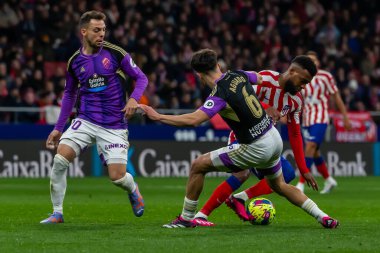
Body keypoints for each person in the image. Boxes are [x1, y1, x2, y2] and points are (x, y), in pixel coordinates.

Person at [139, 48, 339, 229]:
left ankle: (187, 218)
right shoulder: (238, 75)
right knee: (280, 185)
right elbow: (261, 79)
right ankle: (323, 217)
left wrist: (158, 116)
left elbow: (194, 119)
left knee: (198, 165)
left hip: (255, 145)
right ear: (218, 65)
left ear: (199, 75)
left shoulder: (220, 94)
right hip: (273, 137)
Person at [40, 11, 148, 224]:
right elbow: (69, 94)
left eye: (103, 30)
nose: (101, 34)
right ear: (84, 32)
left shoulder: (116, 54)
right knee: (60, 159)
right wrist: (58, 128)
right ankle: (57, 212)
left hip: (114, 124)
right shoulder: (74, 62)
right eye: (97, 30)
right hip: (86, 120)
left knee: (117, 177)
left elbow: (141, 78)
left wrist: (134, 99)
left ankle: (132, 188)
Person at [194, 59, 320, 226]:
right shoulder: (266, 80)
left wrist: (304, 169)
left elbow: (295, 134)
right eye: (303, 81)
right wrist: (265, 106)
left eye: (307, 83)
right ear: (292, 72)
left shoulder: (296, 101)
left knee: (288, 174)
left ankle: (239, 198)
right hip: (243, 136)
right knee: (242, 174)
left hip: (265, 143)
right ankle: (202, 215)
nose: (304, 86)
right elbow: (238, 98)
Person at [295, 51, 352, 194]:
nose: (312, 62)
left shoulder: (325, 76)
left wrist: (345, 116)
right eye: (309, 60)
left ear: (318, 62)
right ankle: (328, 179)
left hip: (320, 118)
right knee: (314, 152)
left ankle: (301, 183)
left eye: (314, 60)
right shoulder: (301, 77)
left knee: (310, 146)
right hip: (306, 119)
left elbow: (336, 96)